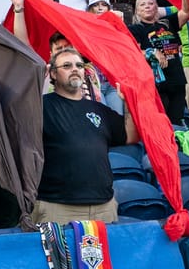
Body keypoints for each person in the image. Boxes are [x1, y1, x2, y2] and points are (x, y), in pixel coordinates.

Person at [34, 47, 137, 224]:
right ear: (53, 74)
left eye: (79, 65)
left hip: (104, 208)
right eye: (66, 65)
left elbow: (130, 137)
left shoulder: (99, 109)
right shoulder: (39, 107)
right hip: (58, 208)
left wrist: (128, 101)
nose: (74, 69)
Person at [130, 0, 189, 125]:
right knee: (160, 123)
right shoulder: (135, 29)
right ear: (137, 11)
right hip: (155, 84)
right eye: (142, 4)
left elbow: (187, 12)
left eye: (150, 3)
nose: (147, 6)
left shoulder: (167, 23)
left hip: (176, 80)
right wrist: (151, 52)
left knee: (176, 122)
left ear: (156, 7)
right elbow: (133, 52)